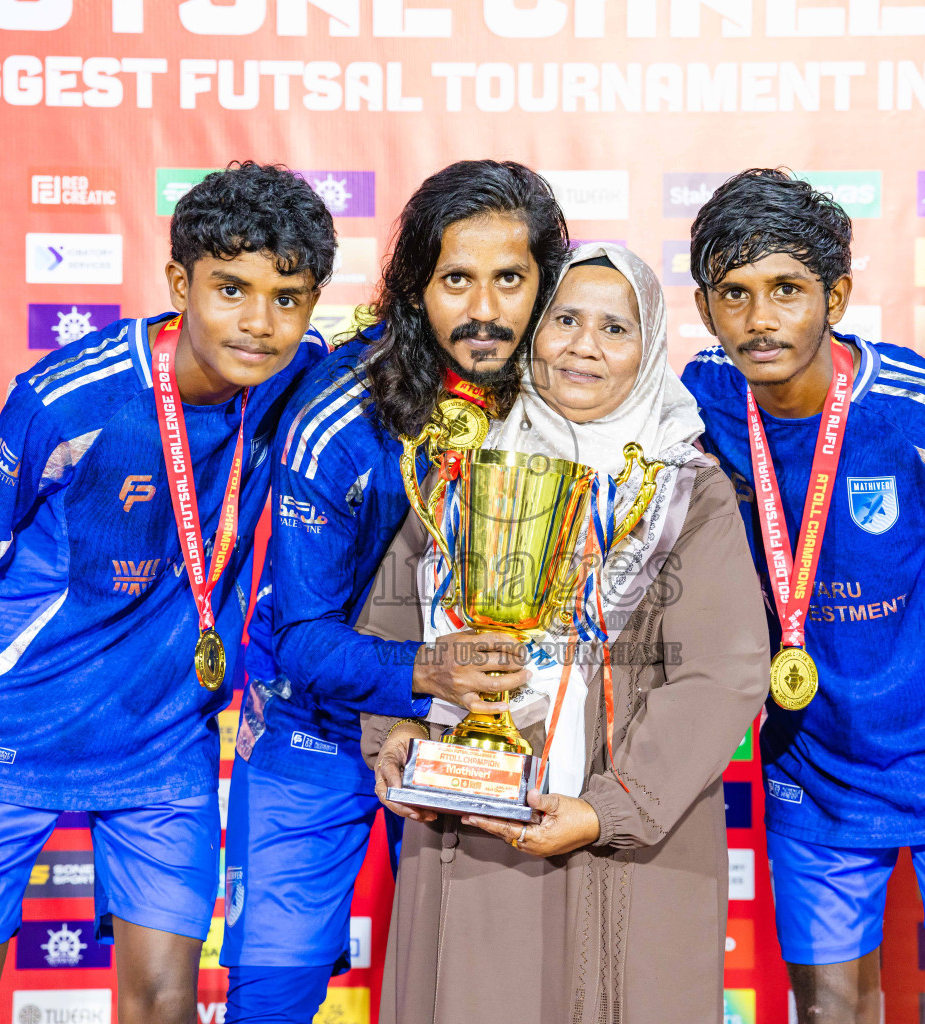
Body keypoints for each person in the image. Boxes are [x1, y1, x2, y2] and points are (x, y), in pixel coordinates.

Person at [0, 162, 334, 1024]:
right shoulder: (68, 398)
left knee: (164, 1003)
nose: (258, 323)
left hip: (163, 741)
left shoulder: (297, 378)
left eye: (288, 297)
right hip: (10, 724)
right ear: (178, 283)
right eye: (230, 289)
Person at [680, 169, 925, 1023]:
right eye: (734, 294)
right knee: (828, 1015)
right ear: (706, 307)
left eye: (786, 290)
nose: (760, 319)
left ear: (836, 295)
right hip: (812, 767)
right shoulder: (698, 403)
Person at [362, 244, 771, 1024]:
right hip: (467, 821)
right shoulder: (461, 466)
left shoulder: (686, 489)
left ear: (647, 352)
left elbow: (721, 673)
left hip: (629, 838)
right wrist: (392, 736)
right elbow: (390, 626)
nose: (584, 345)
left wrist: (609, 809)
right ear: (531, 333)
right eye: (565, 320)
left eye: (615, 329)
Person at [222, 160, 568, 1022]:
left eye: (510, 280)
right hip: (316, 731)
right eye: (456, 280)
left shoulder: (571, 399)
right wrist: (428, 669)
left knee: (484, 988)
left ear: (545, 285)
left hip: (486, 731)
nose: (484, 311)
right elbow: (301, 637)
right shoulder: (339, 413)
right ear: (414, 288)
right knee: (277, 985)